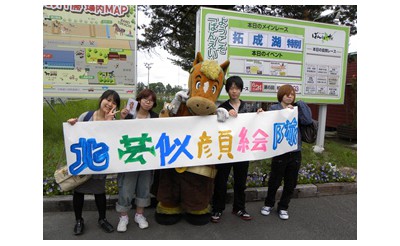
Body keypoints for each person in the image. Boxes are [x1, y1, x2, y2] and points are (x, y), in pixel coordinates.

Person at [67, 89, 120, 235]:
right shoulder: (86, 115)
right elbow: (75, 135)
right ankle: (79, 220)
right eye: (108, 100)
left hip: (99, 163)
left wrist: (109, 122)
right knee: (78, 192)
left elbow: (112, 142)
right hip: (83, 162)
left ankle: (102, 219)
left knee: (99, 192)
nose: (110, 104)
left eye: (114, 102)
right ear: (101, 99)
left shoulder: (113, 120)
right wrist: (72, 124)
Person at [258, 84, 313, 220]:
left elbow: (307, 120)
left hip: (295, 151)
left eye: (292, 94)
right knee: (275, 180)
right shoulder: (274, 108)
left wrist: (298, 105)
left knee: (291, 182)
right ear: (281, 95)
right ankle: (268, 204)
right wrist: (261, 114)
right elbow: (266, 123)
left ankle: (283, 206)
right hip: (280, 151)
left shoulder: (297, 109)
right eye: (287, 94)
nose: (289, 96)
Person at [115, 89, 158, 232]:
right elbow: (116, 133)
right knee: (126, 188)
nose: (147, 102)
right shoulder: (129, 115)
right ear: (139, 99)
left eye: (151, 100)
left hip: (147, 160)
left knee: (144, 187)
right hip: (129, 159)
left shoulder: (156, 118)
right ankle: (124, 217)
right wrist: (121, 118)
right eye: (145, 99)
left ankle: (139, 215)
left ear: (153, 103)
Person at [211, 76, 252, 223]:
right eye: (231, 88)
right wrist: (226, 115)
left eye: (237, 88)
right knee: (221, 180)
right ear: (228, 90)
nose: (234, 91)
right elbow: (216, 124)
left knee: (240, 182)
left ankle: (239, 208)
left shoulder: (248, 107)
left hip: (242, 149)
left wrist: (259, 114)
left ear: (241, 90)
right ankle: (217, 208)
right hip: (225, 149)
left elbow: (256, 124)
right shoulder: (222, 107)